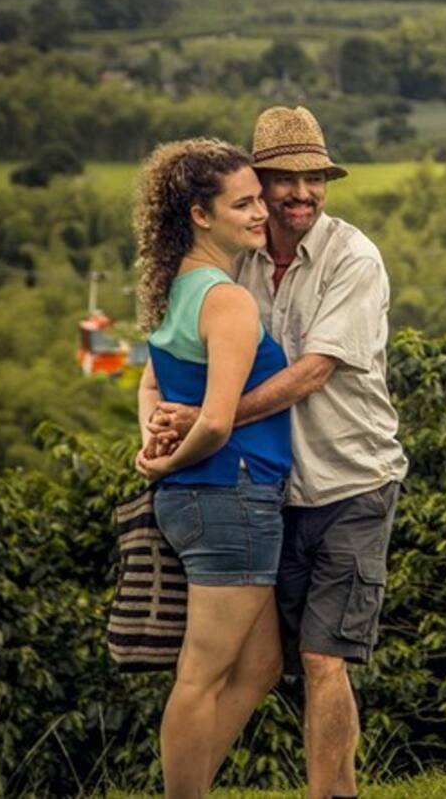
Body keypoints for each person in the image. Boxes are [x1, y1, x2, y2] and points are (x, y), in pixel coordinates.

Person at [148, 107, 408, 799]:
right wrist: (164, 423)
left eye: (314, 178)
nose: (301, 193)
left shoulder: (353, 257)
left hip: (352, 480)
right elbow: (179, 357)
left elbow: (314, 371)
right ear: (258, 186)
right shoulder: (238, 263)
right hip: (273, 491)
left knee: (323, 659)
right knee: (264, 663)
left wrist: (206, 421)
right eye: (284, 180)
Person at [132, 138, 293, 799]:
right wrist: (163, 460)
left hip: (201, 497)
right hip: (232, 495)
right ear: (201, 215)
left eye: (259, 200)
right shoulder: (227, 301)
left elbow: (150, 385)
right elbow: (219, 421)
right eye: (243, 204)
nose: (261, 213)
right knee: (200, 676)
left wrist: (152, 443)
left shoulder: (176, 289)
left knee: (261, 665)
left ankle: (191, 784)